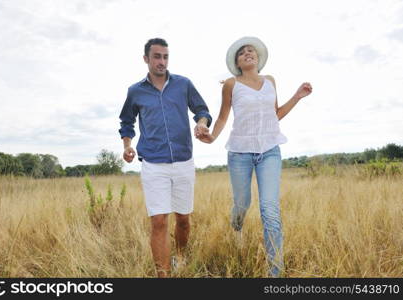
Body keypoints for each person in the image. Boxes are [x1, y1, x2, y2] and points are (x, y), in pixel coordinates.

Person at [197, 36, 312, 277]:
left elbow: (276, 114)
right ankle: (236, 229)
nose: (248, 53)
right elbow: (222, 117)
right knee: (242, 204)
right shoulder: (231, 84)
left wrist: (297, 96)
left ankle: (275, 273)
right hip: (240, 153)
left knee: (269, 209)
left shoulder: (270, 81)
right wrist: (212, 137)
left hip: (270, 150)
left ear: (258, 58)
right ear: (237, 62)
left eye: (251, 51)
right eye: (242, 53)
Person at [118, 38, 212, 277]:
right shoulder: (135, 91)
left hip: (183, 161)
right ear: (146, 59)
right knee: (159, 221)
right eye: (157, 56)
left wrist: (201, 123)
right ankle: (164, 277)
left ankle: (180, 257)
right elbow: (126, 122)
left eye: (165, 56)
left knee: (182, 219)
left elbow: (202, 111)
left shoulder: (183, 84)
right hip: (153, 164)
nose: (162, 61)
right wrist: (128, 145)